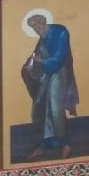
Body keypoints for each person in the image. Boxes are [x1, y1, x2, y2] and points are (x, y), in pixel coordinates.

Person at [21, 13, 79, 160]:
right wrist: (28, 67)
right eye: (32, 27)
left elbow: (60, 57)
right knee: (38, 107)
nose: (35, 29)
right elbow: (34, 58)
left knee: (55, 107)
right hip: (46, 74)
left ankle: (65, 144)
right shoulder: (42, 40)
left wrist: (42, 61)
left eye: (36, 25)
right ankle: (42, 145)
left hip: (60, 72)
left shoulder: (60, 32)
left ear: (42, 22)